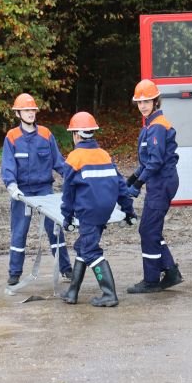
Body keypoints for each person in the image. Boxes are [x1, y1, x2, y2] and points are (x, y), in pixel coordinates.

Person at [59, 112, 137, 307]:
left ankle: (109, 293)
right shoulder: (104, 154)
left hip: (88, 212)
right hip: (105, 211)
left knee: (91, 250)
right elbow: (121, 185)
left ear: (76, 135)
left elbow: (67, 193)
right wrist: (129, 211)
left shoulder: (74, 158)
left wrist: (67, 217)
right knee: (83, 246)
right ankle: (72, 292)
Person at [1, 93, 72, 286]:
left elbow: (59, 162)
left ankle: (66, 269)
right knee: (19, 232)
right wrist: (12, 186)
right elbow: (8, 166)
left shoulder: (46, 134)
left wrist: (73, 176)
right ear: (18, 113)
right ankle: (14, 272)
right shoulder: (12, 137)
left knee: (55, 230)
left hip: (44, 189)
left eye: (33, 110)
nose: (31, 113)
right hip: (22, 192)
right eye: (26, 110)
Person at [126, 79, 183, 293]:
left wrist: (138, 184)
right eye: (139, 102)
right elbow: (146, 162)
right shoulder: (150, 125)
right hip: (159, 182)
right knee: (151, 229)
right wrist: (131, 180)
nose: (142, 106)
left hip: (161, 183)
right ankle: (170, 272)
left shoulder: (157, 126)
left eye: (147, 101)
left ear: (155, 101)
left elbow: (156, 161)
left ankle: (151, 280)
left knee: (148, 230)